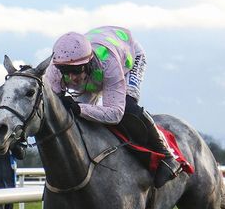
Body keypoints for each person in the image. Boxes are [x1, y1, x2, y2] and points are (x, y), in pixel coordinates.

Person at [43, 26, 180, 188]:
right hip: (94, 68)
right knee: (76, 117)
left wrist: (79, 108)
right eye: (66, 71)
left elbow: (116, 113)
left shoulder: (108, 62)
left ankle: (167, 155)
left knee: (128, 108)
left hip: (127, 59)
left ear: (86, 62)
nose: (72, 78)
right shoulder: (55, 69)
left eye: (75, 70)